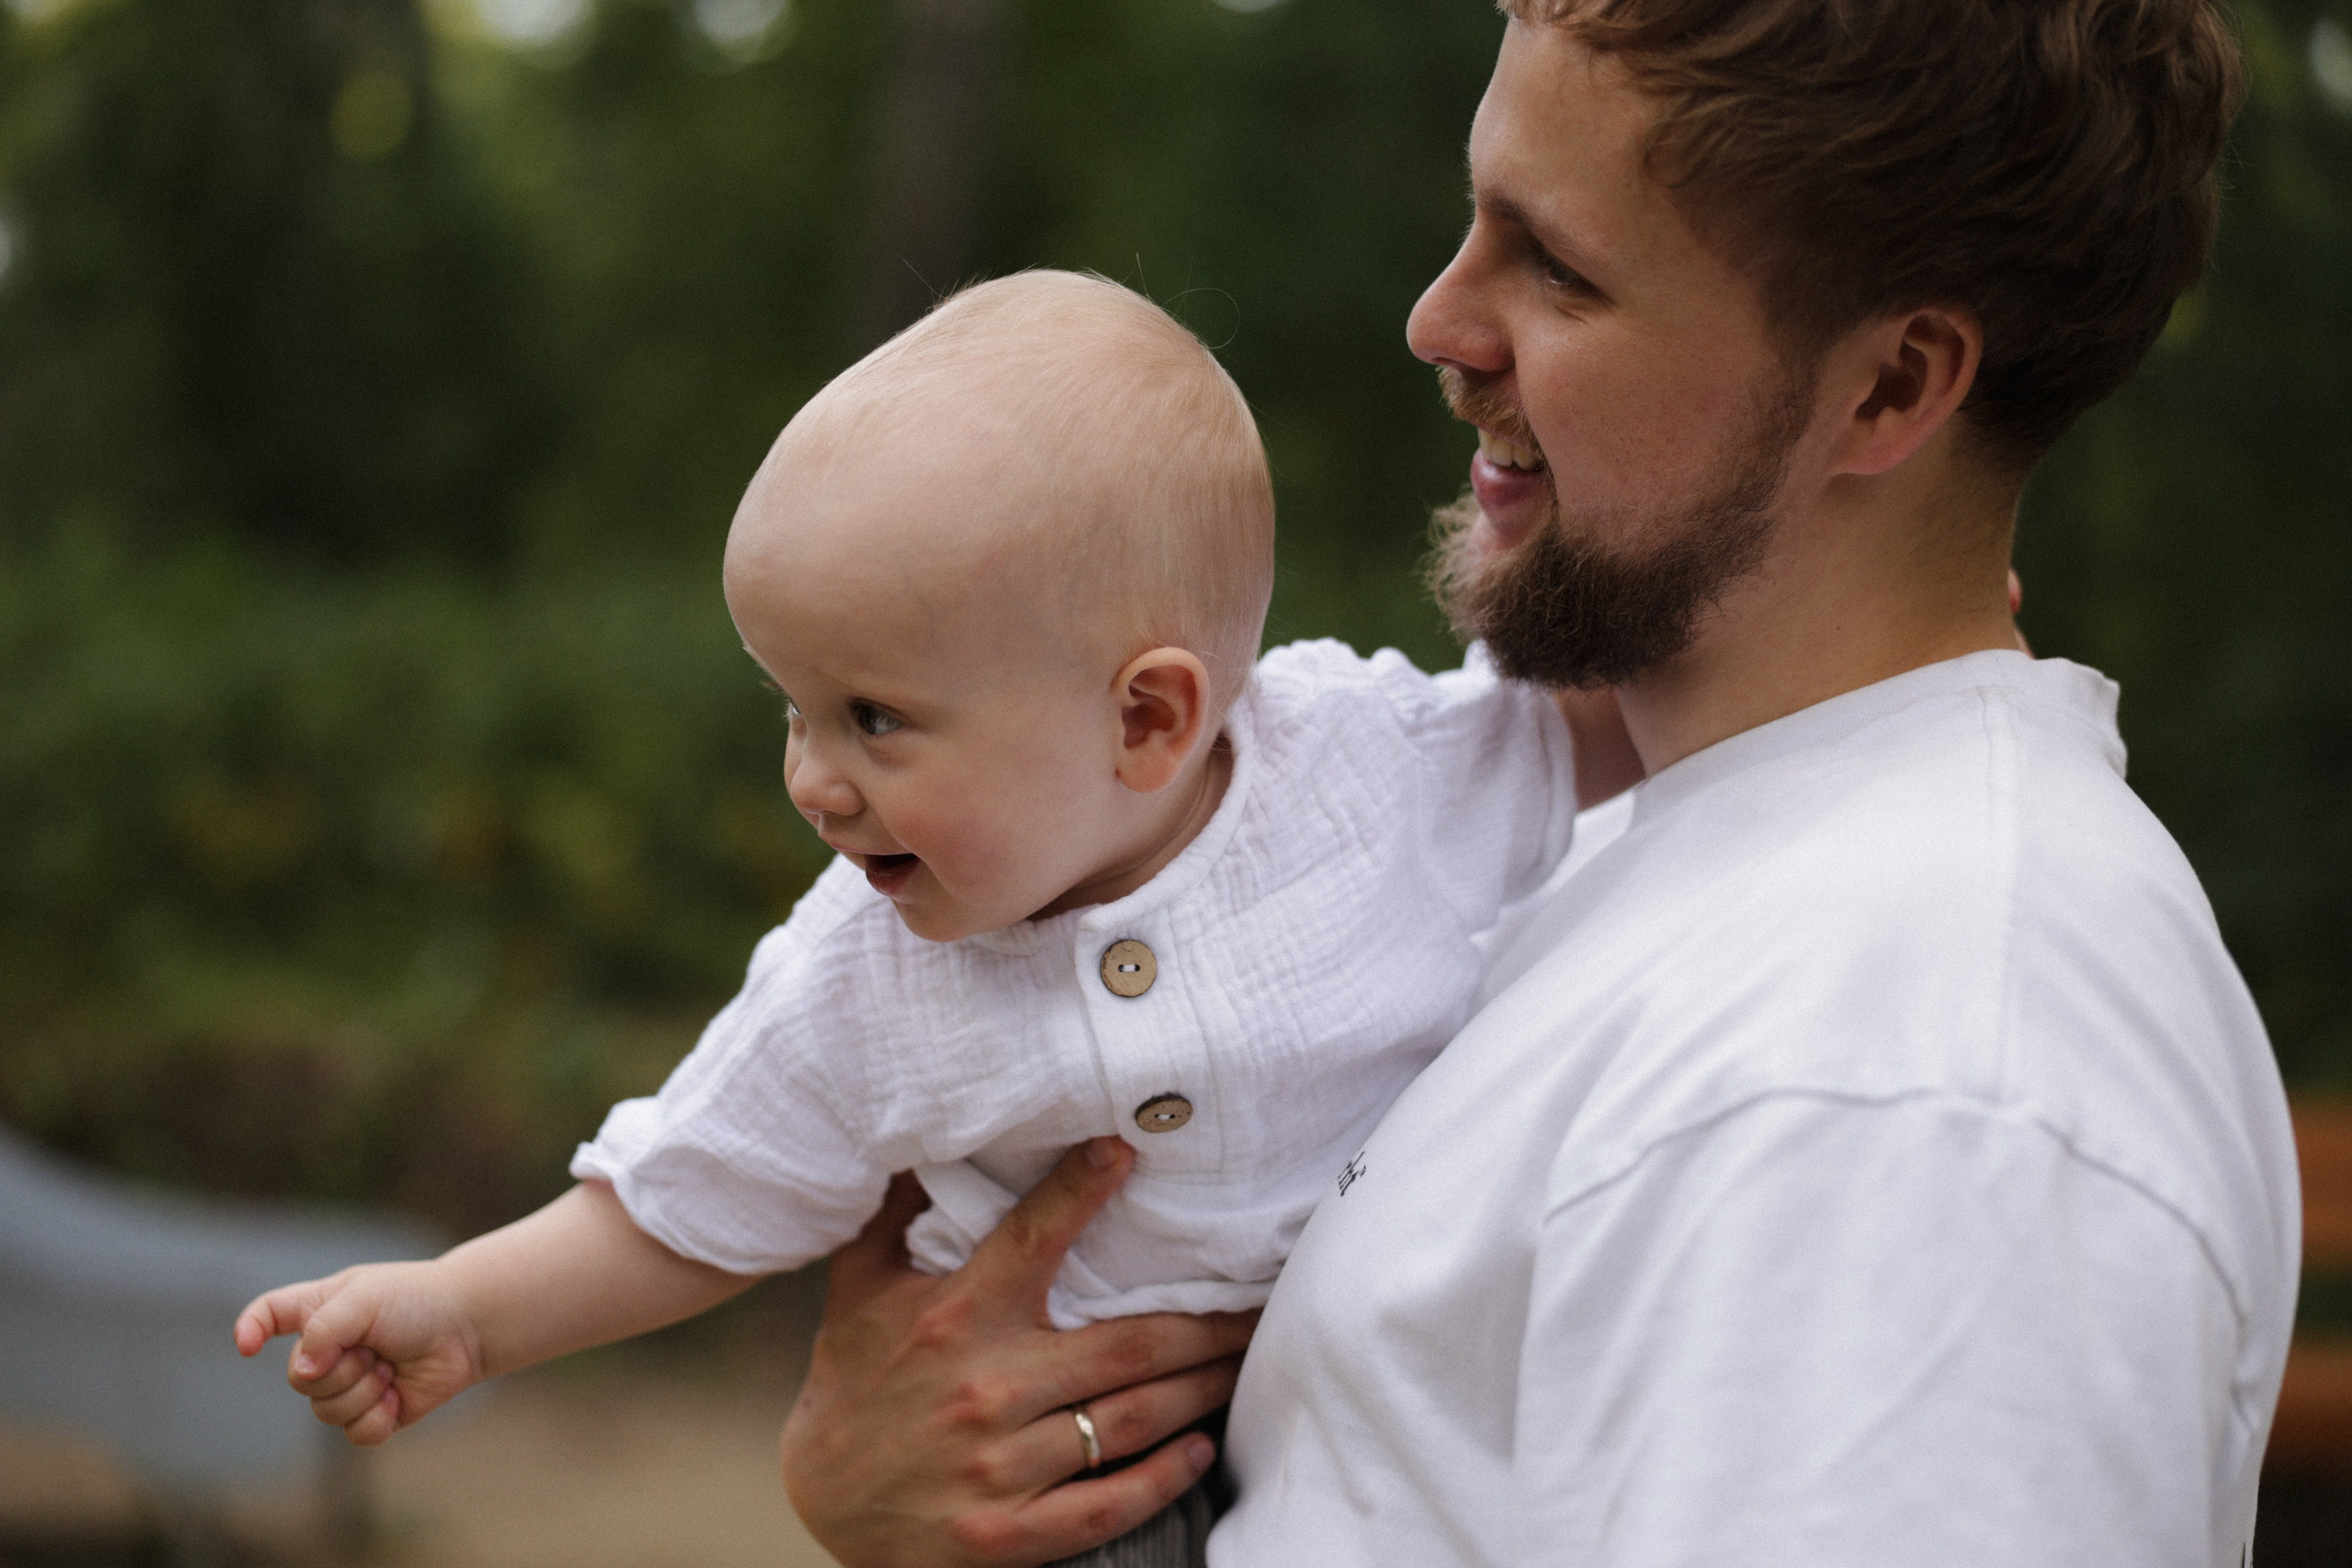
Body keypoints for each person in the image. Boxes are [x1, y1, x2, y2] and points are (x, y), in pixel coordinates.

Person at [773, 2, 2301, 1564]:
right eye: (1473, 221)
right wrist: (934, 1486)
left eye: (1558, 267)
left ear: (1891, 389)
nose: (1440, 322)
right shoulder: (1645, 852)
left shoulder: (1914, 1064)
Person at [232, 270, 1603, 1566]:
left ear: (1146, 717)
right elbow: (692, 1188)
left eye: (875, 719)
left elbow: (1614, 743)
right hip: (1065, 1494)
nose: (813, 782)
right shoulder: (867, 967)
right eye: (795, 707)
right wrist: (468, 1312)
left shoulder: (1388, 772)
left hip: (1383, 1442)